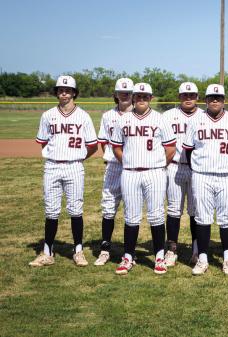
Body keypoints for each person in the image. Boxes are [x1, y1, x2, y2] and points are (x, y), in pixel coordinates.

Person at [30, 75, 98, 267]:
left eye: (68, 90)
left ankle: (78, 251)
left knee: (75, 210)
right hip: (52, 165)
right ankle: (47, 252)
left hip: (74, 166)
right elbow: (43, 142)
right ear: (56, 92)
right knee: (51, 211)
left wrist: (77, 157)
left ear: (74, 93)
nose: (64, 93)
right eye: (60, 90)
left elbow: (92, 146)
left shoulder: (83, 116)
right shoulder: (47, 115)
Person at [110, 83, 176, 275]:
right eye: (138, 96)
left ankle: (159, 257)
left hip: (154, 172)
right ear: (133, 97)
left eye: (145, 96)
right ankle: (128, 256)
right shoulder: (123, 120)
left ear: (151, 98)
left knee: (156, 215)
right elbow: (116, 147)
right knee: (131, 216)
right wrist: (128, 162)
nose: (141, 99)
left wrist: (157, 165)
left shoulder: (160, 119)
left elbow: (170, 148)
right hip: (130, 172)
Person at [183, 84, 228, 276]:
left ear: (223, 100)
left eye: (218, 97)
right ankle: (202, 259)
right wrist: (199, 167)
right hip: (202, 176)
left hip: (227, 176)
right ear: (206, 100)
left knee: (227, 218)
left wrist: (227, 165)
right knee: (202, 217)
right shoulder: (196, 121)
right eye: (211, 97)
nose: (214, 100)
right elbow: (188, 149)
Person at [162, 82, 203, 267]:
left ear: (197, 97)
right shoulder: (168, 116)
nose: (188, 98)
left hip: (197, 169)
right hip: (175, 166)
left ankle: (196, 249)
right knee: (173, 210)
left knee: (196, 211)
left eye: (192, 95)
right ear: (179, 97)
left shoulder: (204, 115)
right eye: (185, 95)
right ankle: (171, 250)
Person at [94, 78, 134, 266]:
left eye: (128, 92)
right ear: (115, 94)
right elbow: (103, 142)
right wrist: (112, 158)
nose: (125, 95)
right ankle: (105, 248)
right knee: (108, 207)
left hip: (133, 167)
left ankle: (129, 252)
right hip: (113, 166)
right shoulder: (107, 115)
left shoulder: (138, 114)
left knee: (131, 210)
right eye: (121, 92)